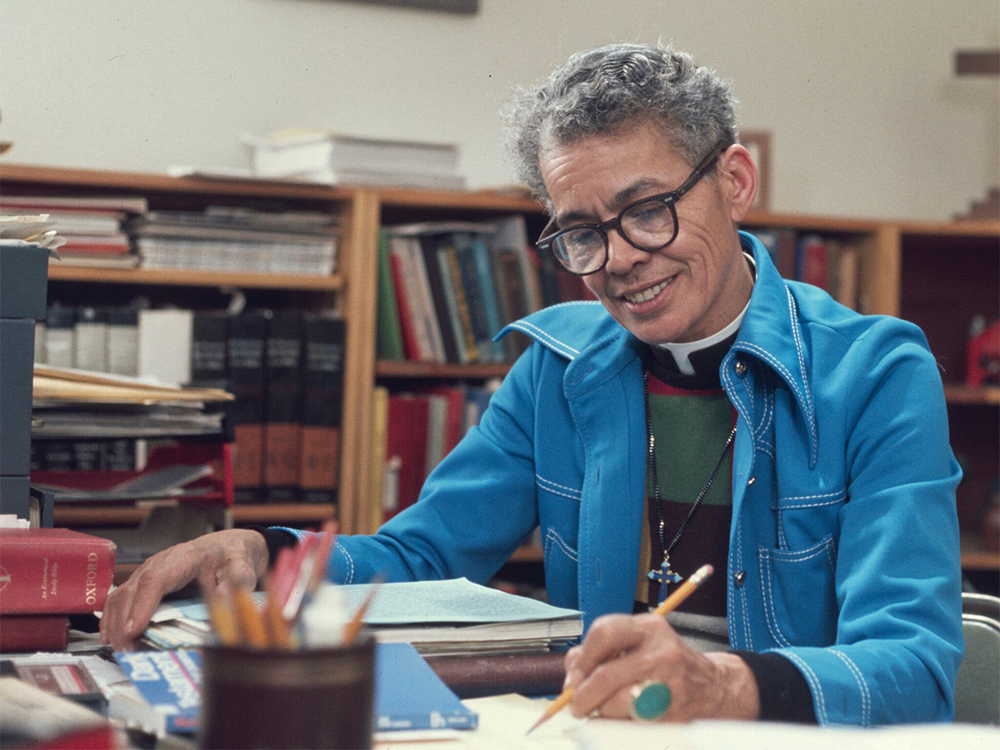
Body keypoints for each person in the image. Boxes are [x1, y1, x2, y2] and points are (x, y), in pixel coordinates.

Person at [101, 43, 963, 726]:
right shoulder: (558, 368)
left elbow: (915, 665)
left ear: (734, 183)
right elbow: (424, 557)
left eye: (648, 209)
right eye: (581, 233)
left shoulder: (877, 373)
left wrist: (718, 684)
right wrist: (266, 552)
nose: (620, 260)